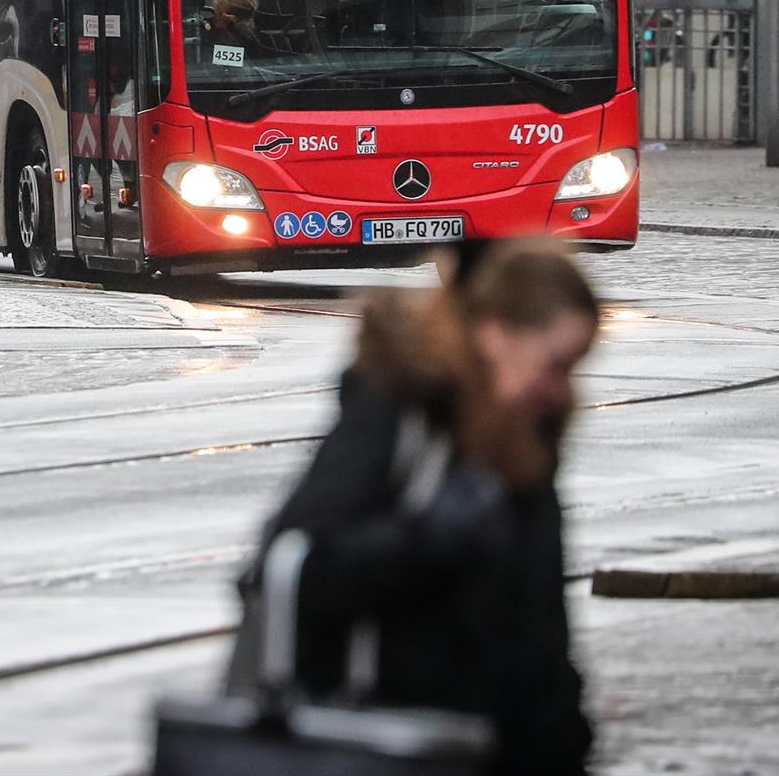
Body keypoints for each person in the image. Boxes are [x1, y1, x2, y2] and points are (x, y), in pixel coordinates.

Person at [236, 238, 598, 775]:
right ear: (493, 334)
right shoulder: (400, 418)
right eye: (555, 364)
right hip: (389, 745)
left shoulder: (527, 444)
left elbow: (542, 627)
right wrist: (429, 537)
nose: (562, 388)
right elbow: (295, 568)